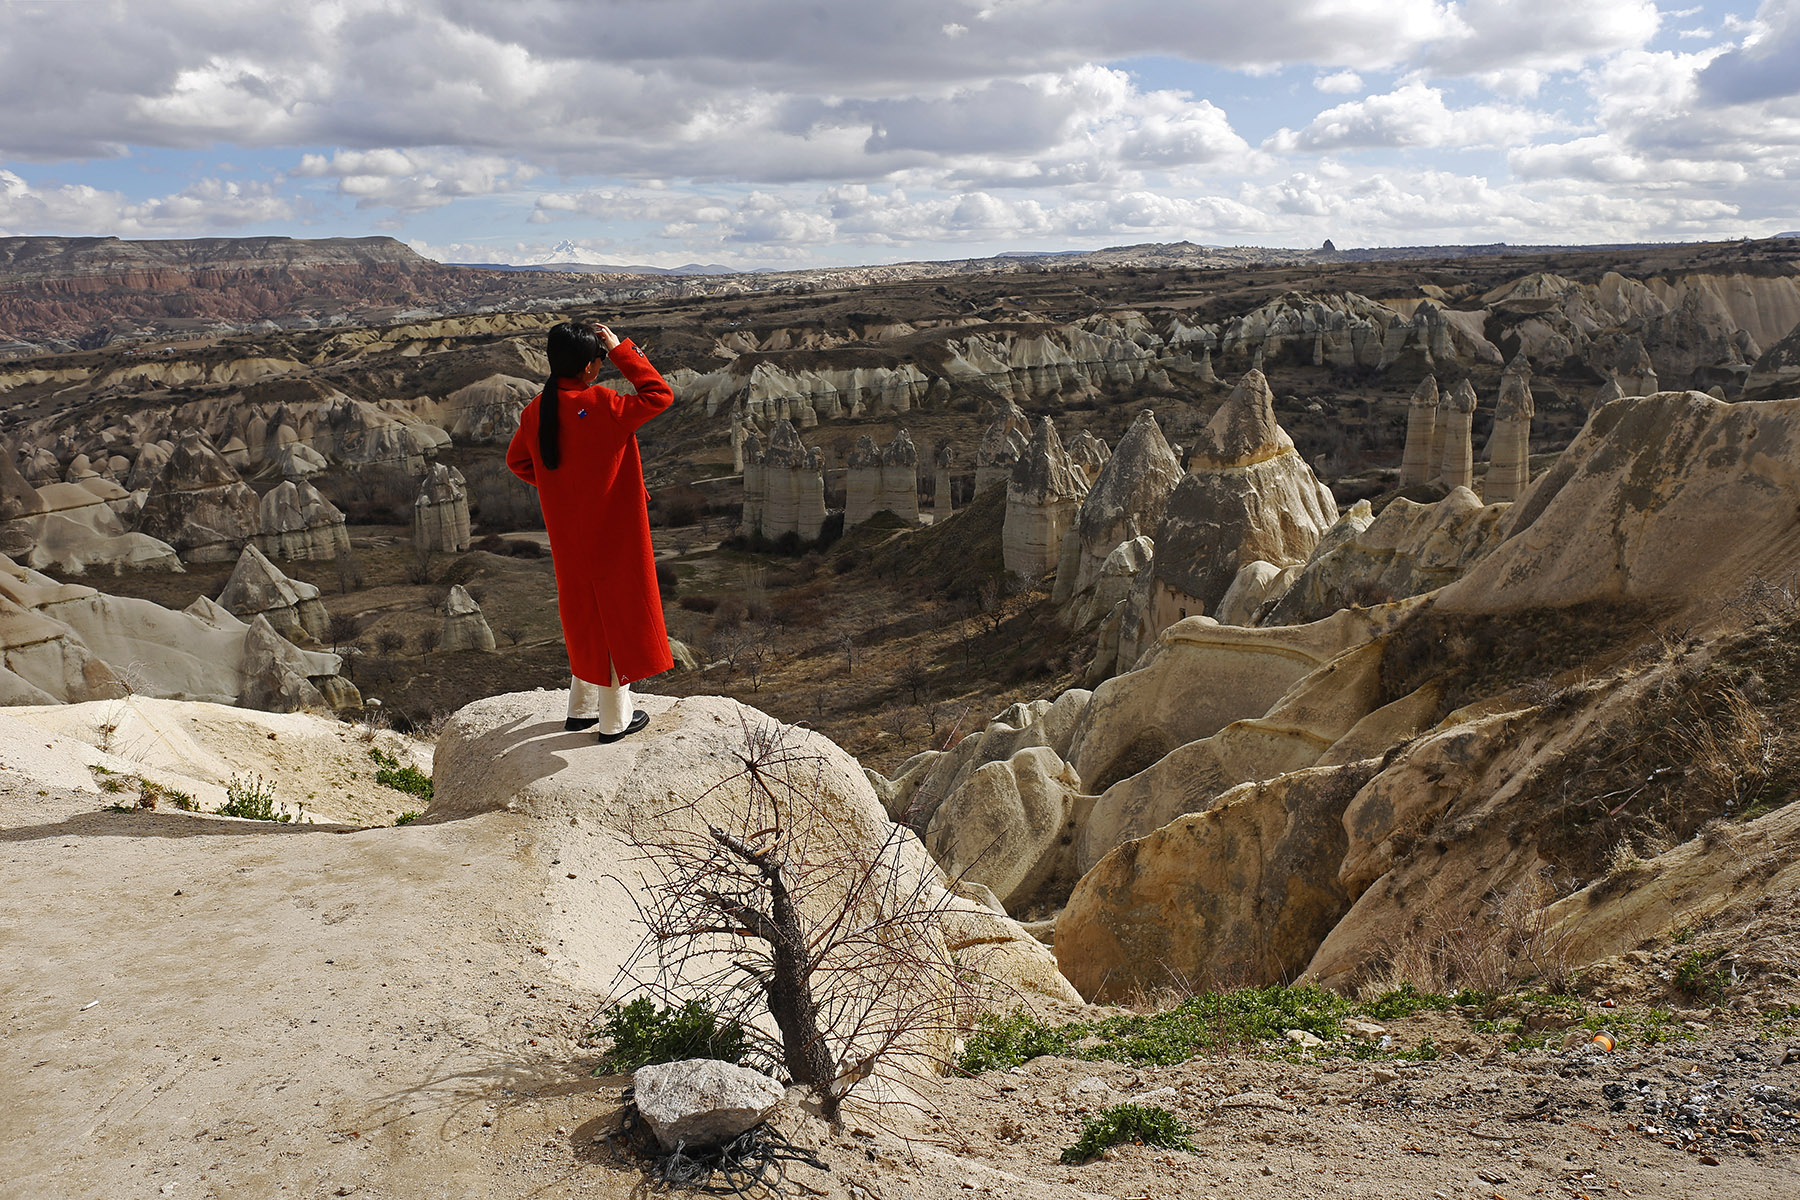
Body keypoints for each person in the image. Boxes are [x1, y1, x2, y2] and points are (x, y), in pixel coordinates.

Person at [506, 320, 674, 742]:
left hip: (567, 531)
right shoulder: (601, 403)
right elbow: (659, 394)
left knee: (584, 612)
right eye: (599, 360)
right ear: (589, 367)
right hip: (613, 527)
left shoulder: (536, 409)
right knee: (618, 610)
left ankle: (580, 709)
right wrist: (620, 350)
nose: (601, 364)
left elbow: (518, 462)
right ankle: (616, 719)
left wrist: (561, 488)